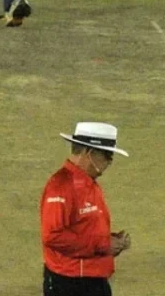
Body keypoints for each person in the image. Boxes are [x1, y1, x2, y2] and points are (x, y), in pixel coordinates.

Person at [41, 122, 131, 296]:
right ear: (89, 153)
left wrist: (111, 241)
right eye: (107, 155)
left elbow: (83, 228)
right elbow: (52, 236)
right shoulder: (61, 186)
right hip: (69, 283)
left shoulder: (89, 184)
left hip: (93, 280)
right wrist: (103, 244)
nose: (110, 162)